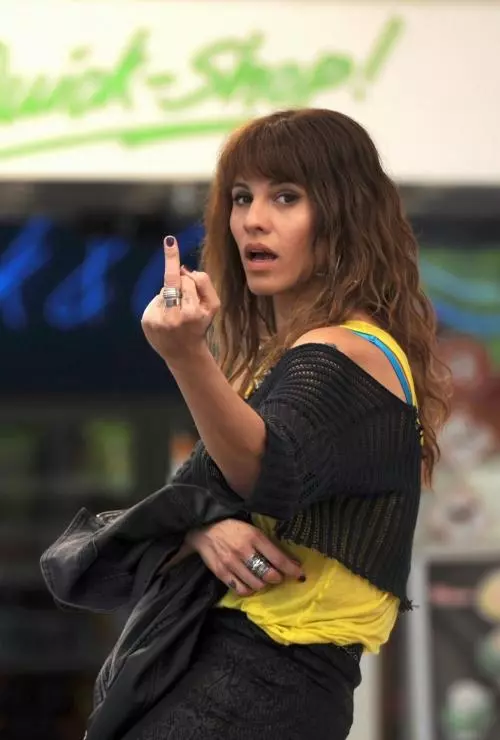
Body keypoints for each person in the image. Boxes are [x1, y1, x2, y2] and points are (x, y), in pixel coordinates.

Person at [138, 108, 450, 740]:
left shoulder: (346, 352)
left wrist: (187, 356)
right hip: (232, 675)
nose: (254, 219)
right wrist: (207, 529)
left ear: (344, 214)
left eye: (286, 197)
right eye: (241, 197)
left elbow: (268, 472)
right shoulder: (275, 363)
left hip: (262, 687)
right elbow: (171, 513)